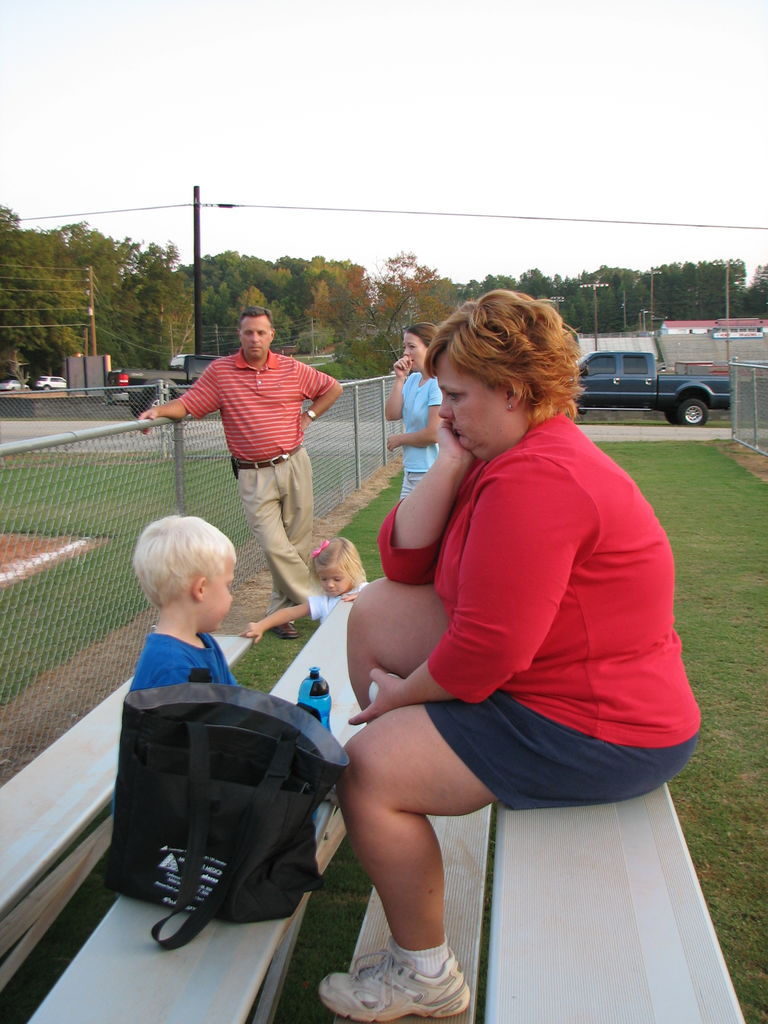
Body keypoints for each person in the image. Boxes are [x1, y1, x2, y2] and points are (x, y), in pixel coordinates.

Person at [318, 290, 701, 1022]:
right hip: (555, 682)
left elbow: (486, 654)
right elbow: (401, 562)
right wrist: (451, 463)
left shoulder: (539, 478)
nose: (444, 412)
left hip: (605, 726)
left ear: (514, 391)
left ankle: (425, 977)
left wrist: (402, 702)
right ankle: (405, 798)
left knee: (367, 770)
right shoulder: (507, 451)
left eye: (457, 396)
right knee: (375, 609)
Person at [138, 305, 343, 641]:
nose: (255, 338)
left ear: (271, 335)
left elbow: (332, 387)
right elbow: (189, 403)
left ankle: (281, 615)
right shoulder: (221, 372)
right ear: (240, 335)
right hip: (253, 472)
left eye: (261, 332)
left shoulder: (292, 369)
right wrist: (159, 410)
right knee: (275, 545)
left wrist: (310, 416)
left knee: (297, 543)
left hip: (294, 462)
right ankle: (321, 602)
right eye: (248, 332)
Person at [130, 515, 238, 691]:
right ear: (201, 589)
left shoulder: (202, 640)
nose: (230, 597)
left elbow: (233, 698)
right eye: (227, 585)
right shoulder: (172, 669)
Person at [242, 537, 367, 641]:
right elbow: (289, 613)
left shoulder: (367, 590)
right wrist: (261, 625)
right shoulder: (324, 602)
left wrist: (365, 595)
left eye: (337, 579)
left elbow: (385, 595)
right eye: (324, 579)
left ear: (353, 572)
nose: (330, 584)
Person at [385, 323, 441, 498]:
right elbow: (392, 414)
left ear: (430, 348)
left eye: (412, 347)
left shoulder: (438, 384)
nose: (406, 353)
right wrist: (400, 379)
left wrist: (400, 439)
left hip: (431, 472)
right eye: (404, 347)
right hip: (412, 471)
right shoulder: (413, 380)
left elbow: (433, 434)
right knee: (401, 524)